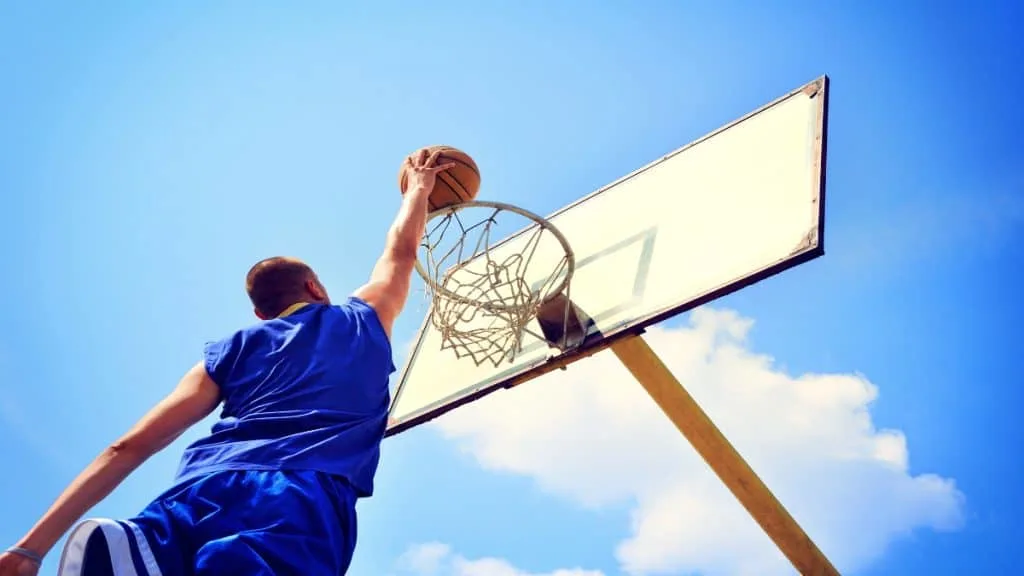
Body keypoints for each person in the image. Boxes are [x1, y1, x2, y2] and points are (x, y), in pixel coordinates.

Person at [0, 148, 456, 576]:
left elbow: (128, 446)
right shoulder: (361, 319)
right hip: (299, 492)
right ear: (316, 288)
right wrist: (418, 189)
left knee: (165, 546)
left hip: (200, 488)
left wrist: (29, 549)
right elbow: (399, 252)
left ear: (260, 312)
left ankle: (143, 546)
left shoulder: (228, 351)